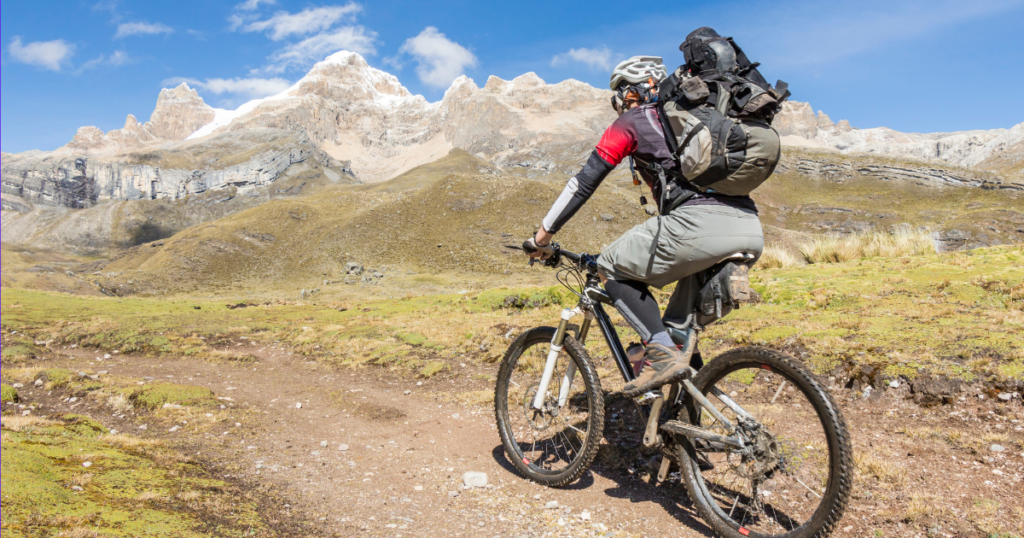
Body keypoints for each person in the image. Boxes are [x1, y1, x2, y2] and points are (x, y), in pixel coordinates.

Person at [525, 55, 764, 397]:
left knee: (609, 265)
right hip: (749, 229)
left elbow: (583, 182)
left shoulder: (634, 121)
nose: (621, 102)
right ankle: (685, 430)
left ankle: (660, 357)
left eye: (622, 93)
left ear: (638, 91)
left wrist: (541, 237)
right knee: (677, 334)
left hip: (697, 226)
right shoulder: (699, 120)